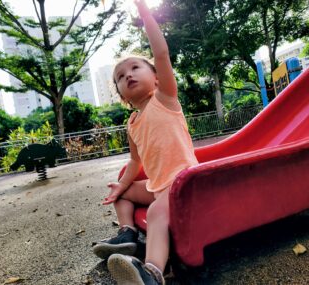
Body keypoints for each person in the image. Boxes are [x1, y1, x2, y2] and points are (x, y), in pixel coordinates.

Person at [93, 0, 198, 284]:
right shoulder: (132, 123)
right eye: (120, 77)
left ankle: (152, 271)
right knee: (124, 195)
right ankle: (128, 235)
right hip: (158, 186)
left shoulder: (165, 100)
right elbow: (135, 161)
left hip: (183, 182)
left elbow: (161, 53)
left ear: (155, 77)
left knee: (155, 213)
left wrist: (143, 11)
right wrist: (121, 187)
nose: (128, 75)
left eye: (135, 68)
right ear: (121, 95)